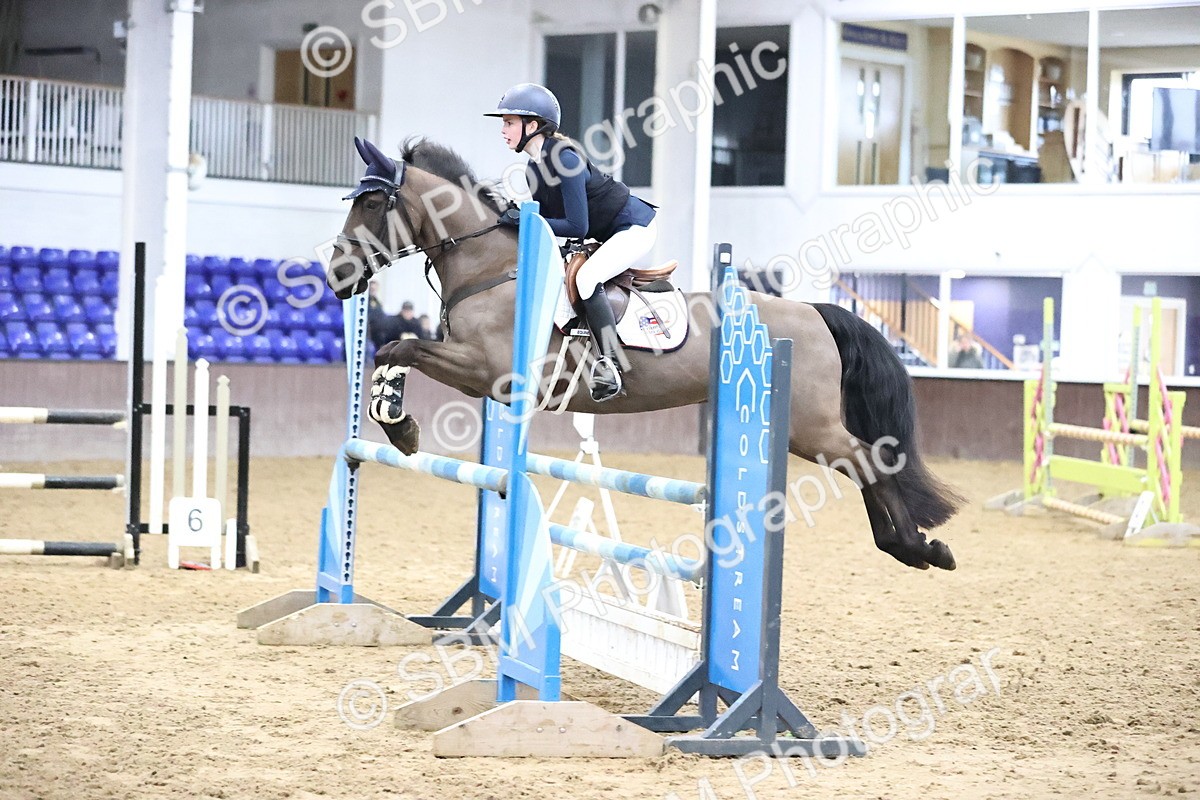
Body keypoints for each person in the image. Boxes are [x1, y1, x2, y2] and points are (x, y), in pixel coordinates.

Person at [484, 83, 657, 403]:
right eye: (504, 123)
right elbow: (550, 228)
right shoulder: (533, 169)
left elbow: (577, 226)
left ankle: (611, 363)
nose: (503, 130)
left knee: (588, 277)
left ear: (532, 126)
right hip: (606, 233)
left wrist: (525, 220)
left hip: (634, 227)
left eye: (509, 123)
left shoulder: (566, 159)